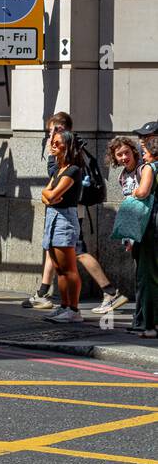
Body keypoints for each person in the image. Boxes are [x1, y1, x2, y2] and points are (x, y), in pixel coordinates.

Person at [23, 112, 127, 313]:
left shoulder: (70, 153)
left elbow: (53, 185)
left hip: (69, 211)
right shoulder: (65, 151)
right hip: (62, 210)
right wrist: (48, 193)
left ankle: (110, 292)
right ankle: (43, 293)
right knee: (55, 250)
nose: (51, 137)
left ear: (63, 131)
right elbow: (48, 191)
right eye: (49, 132)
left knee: (77, 252)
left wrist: (49, 188)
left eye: (54, 131)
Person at [41, 129, 85, 323]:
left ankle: (74, 310)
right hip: (53, 218)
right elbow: (46, 195)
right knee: (59, 268)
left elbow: (51, 195)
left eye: (58, 143)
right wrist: (48, 195)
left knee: (69, 268)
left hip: (65, 219)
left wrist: (49, 195)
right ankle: (64, 306)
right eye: (53, 142)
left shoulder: (72, 170)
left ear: (67, 146)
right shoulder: (59, 170)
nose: (53, 145)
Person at [107, 136, 143, 328]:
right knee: (139, 274)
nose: (123, 157)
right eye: (119, 154)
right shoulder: (123, 176)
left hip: (145, 227)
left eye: (126, 153)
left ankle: (142, 318)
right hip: (133, 230)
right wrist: (128, 238)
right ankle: (141, 316)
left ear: (133, 151)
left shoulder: (142, 170)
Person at [128, 134, 158, 338]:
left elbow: (144, 192)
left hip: (153, 224)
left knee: (148, 275)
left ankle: (150, 326)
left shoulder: (151, 167)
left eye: (145, 152)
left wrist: (134, 191)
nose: (143, 156)